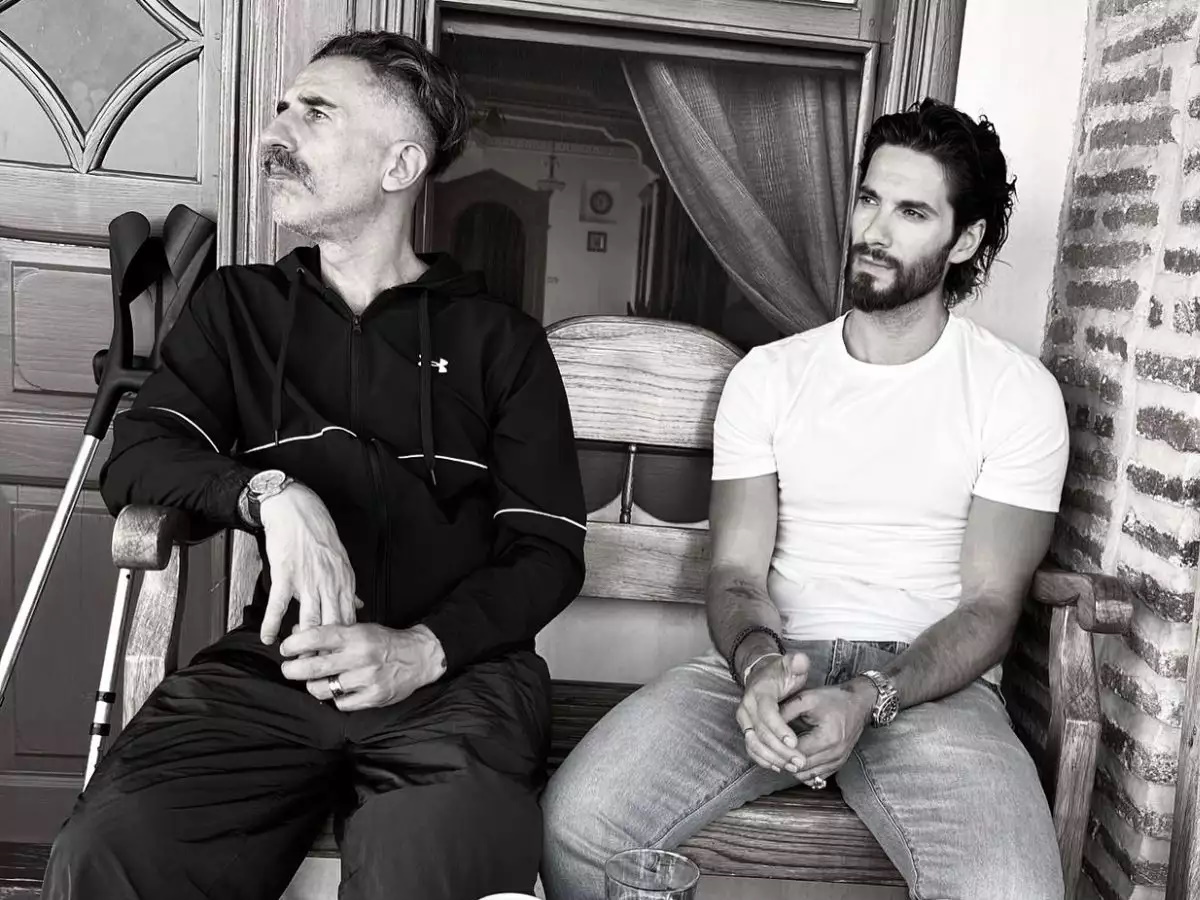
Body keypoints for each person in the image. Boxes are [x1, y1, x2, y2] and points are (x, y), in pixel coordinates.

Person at [43, 31, 586, 900]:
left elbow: (547, 548)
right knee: (109, 849)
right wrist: (267, 491)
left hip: (458, 678)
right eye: (282, 108)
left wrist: (423, 649)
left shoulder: (501, 340)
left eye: (316, 113)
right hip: (280, 663)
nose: (275, 133)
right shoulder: (240, 310)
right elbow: (138, 456)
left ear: (400, 164)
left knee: (430, 869)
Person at [541, 98, 1069, 900]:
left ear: (964, 241)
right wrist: (757, 666)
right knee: (579, 823)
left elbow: (992, 607)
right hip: (777, 661)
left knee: (1013, 891)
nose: (874, 230)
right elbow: (736, 574)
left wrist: (872, 694)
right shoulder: (770, 377)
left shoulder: (1014, 393)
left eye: (912, 212)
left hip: (933, 686)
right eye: (869, 199)